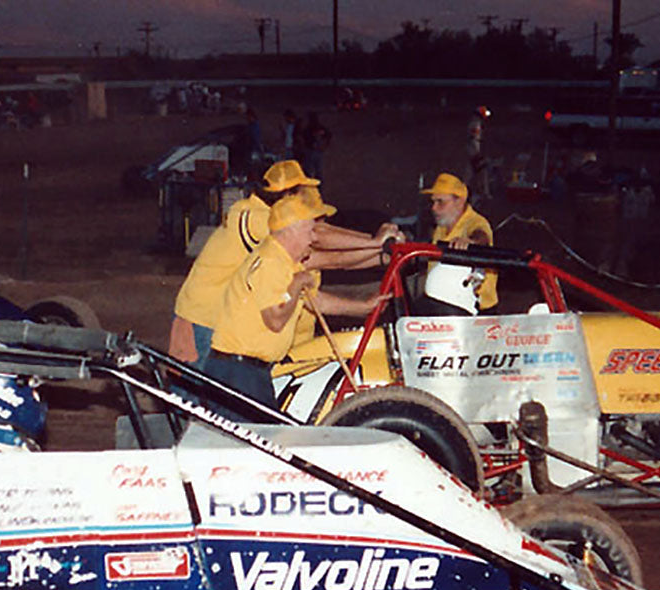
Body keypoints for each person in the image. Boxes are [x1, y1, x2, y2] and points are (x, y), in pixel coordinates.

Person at [169, 159, 389, 364]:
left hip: (221, 321)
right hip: (203, 318)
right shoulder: (253, 216)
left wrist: (380, 252)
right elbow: (323, 245)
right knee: (192, 401)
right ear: (287, 195)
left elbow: (328, 254)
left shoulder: (276, 230)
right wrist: (376, 243)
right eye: (298, 196)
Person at [199, 188, 384, 422]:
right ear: (293, 231)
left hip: (249, 371)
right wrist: (296, 285)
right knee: (258, 447)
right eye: (310, 231)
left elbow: (316, 301)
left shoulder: (287, 262)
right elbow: (275, 320)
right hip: (238, 372)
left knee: (264, 442)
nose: (314, 238)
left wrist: (364, 307)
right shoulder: (270, 263)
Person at [421, 172, 497, 312]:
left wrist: (471, 242)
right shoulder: (442, 226)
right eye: (433, 202)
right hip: (443, 302)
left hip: (476, 309)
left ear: (460, 201)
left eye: (440, 202)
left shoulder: (475, 221)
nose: (433, 208)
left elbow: (482, 237)